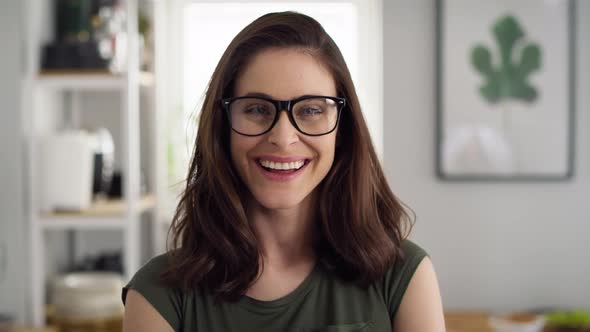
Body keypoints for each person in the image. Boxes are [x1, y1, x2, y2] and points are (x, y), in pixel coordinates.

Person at [122, 11, 445, 332]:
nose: (283, 138)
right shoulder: (158, 296)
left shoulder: (404, 278)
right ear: (223, 128)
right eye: (258, 109)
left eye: (311, 110)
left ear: (341, 130)